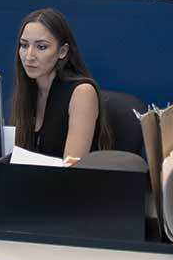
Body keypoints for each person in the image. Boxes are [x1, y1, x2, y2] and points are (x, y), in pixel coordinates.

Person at [12, 8, 109, 161]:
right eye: (24, 45)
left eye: (41, 47)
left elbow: (71, 167)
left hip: (68, 177)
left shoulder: (82, 92)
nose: (29, 56)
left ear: (62, 51)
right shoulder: (28, 89)